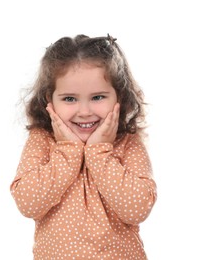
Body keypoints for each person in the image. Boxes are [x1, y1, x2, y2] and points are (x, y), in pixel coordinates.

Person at [10, 34, 157, 259]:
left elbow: (137, 209)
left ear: (119, 97)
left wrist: (100, 153)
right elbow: (28, 204)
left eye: (98, 97)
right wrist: (68, 151)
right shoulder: (43, 140)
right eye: (70, 99)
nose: (85, 111)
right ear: (50, 100)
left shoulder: (128, 142)